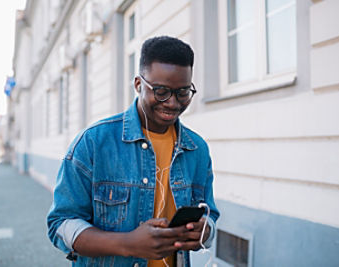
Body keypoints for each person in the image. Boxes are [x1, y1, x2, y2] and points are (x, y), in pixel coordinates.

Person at [47, 36, 220, 267]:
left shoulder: (196, 149)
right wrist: (127, 243)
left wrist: (204, 231)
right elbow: (61, 224)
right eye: (161, 91)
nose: (172, 103)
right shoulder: (93, 142)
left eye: (182, 92)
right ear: (138, 84)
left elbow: (209, 216)